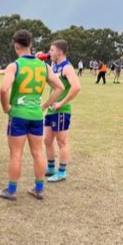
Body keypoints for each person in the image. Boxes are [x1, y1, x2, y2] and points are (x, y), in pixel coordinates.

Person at [0, 30, 64, 201]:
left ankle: (11, 190)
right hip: (35, 115)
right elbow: (60, 88)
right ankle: (39, 189)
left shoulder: (15, 65)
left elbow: (4, 89)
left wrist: (6, 108)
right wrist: (45, 105)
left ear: (15, 45)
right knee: (38, 153)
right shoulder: (44, 66)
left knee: (16, 154)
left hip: (18, 114)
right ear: (31, 44)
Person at [44, 40, 81, 182]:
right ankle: (51, 167)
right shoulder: (54, 66)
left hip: (61, 111)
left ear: (59, 52)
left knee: (61, 141)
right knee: (47, 140)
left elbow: (76, 87)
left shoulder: (67, 67)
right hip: (51, 110)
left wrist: (61, 103)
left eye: (52, 50)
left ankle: (62, 172)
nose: (50, 52)